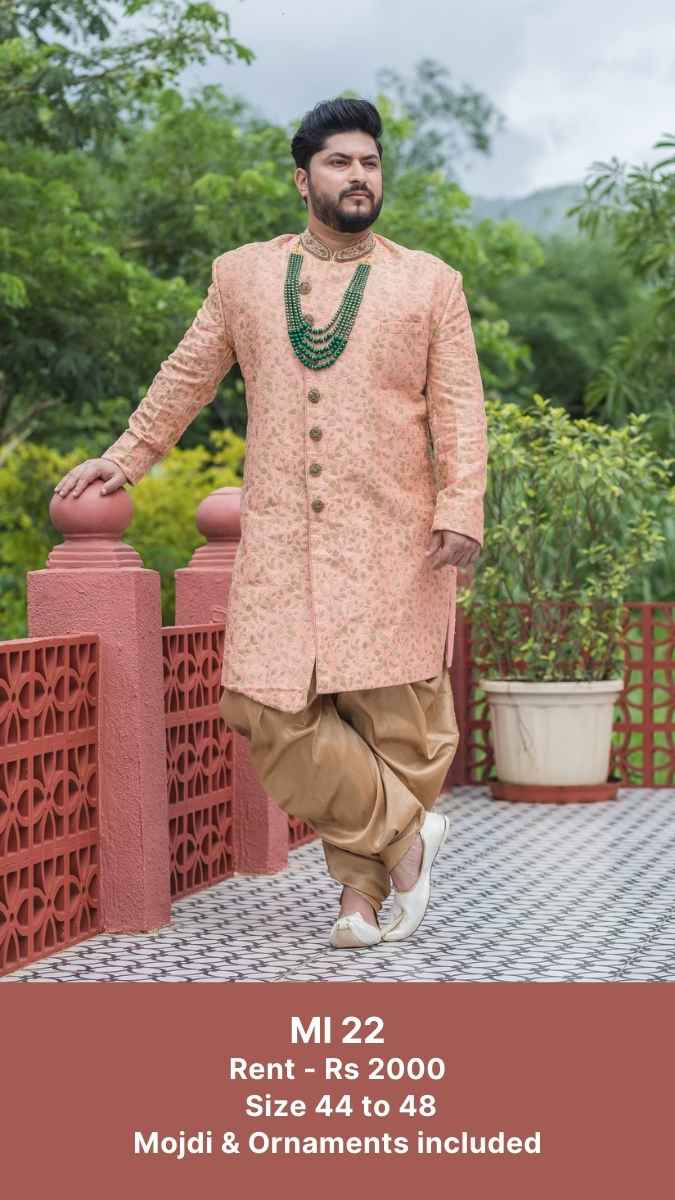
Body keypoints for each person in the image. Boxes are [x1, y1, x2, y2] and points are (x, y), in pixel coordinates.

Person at [53, 98, 488, 950]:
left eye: (369, 163)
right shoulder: (244, 276)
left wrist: (461, 505)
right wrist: (127, 456)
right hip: (283, 538)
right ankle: (405, 836)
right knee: (263, 705)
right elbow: (188, 373)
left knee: (393, 720)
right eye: (339, 162)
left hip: (394, 537)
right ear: (302, 179)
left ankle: (358, 900)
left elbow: (460, 410)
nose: (358, 176)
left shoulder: (429, 282)